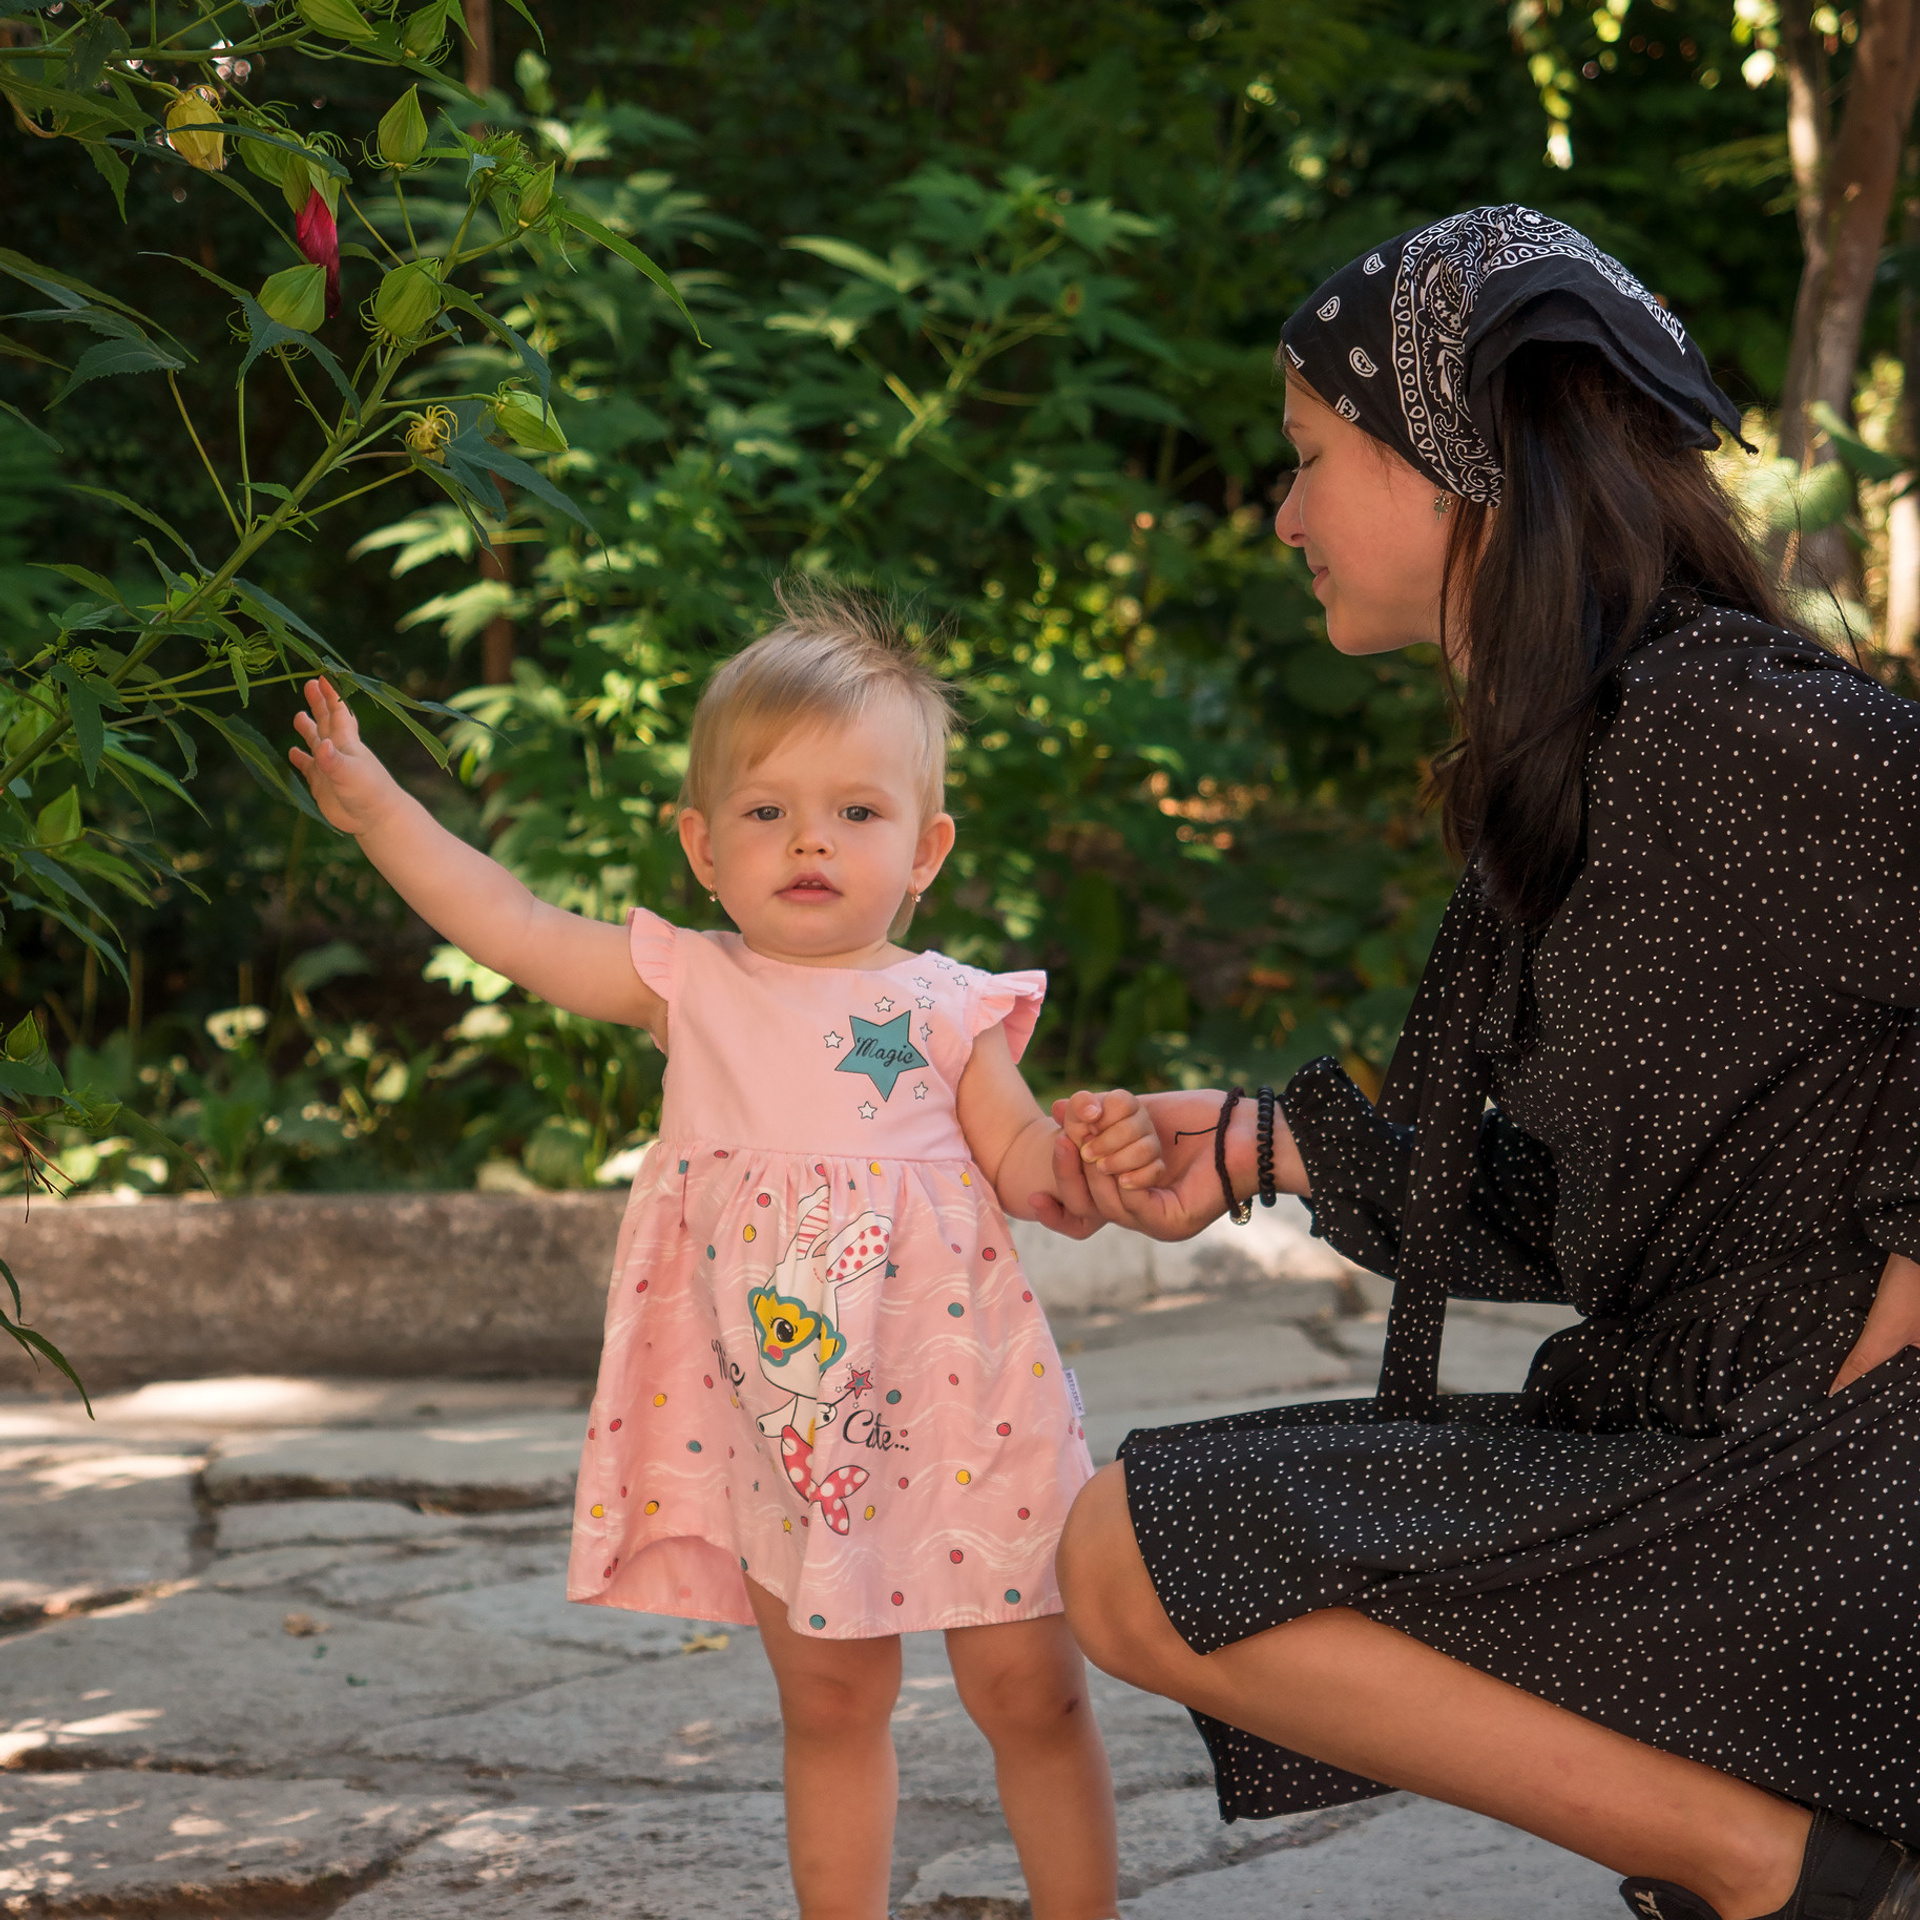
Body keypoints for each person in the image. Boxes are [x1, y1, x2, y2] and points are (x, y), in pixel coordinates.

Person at [1041, 206, 1920, 1920]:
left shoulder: (1721, 727)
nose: (1282, 512)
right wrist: (1257, 1150)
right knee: (1147, 1559)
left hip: (1839, 1480)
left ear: (1458, 467)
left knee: (1142, 1550)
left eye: (1309, 459)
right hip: (1715, 1437)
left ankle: (1774, 1869)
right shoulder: (1584, 767)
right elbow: (1596, 1218)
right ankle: (1776, 1860)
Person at [288, 585, 1161, 1920]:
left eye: (855, 813)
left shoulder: (947, 1009)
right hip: (782, 1418)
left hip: (960, 1407)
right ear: (702, 844)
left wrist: (1093, 1164)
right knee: (828, 1698)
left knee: (1028, 1690)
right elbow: (510, 922)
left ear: (924, 849)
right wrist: (377, 810)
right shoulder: (688, 986)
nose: (810, 840)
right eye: (767, 811)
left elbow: (1033, 1168)